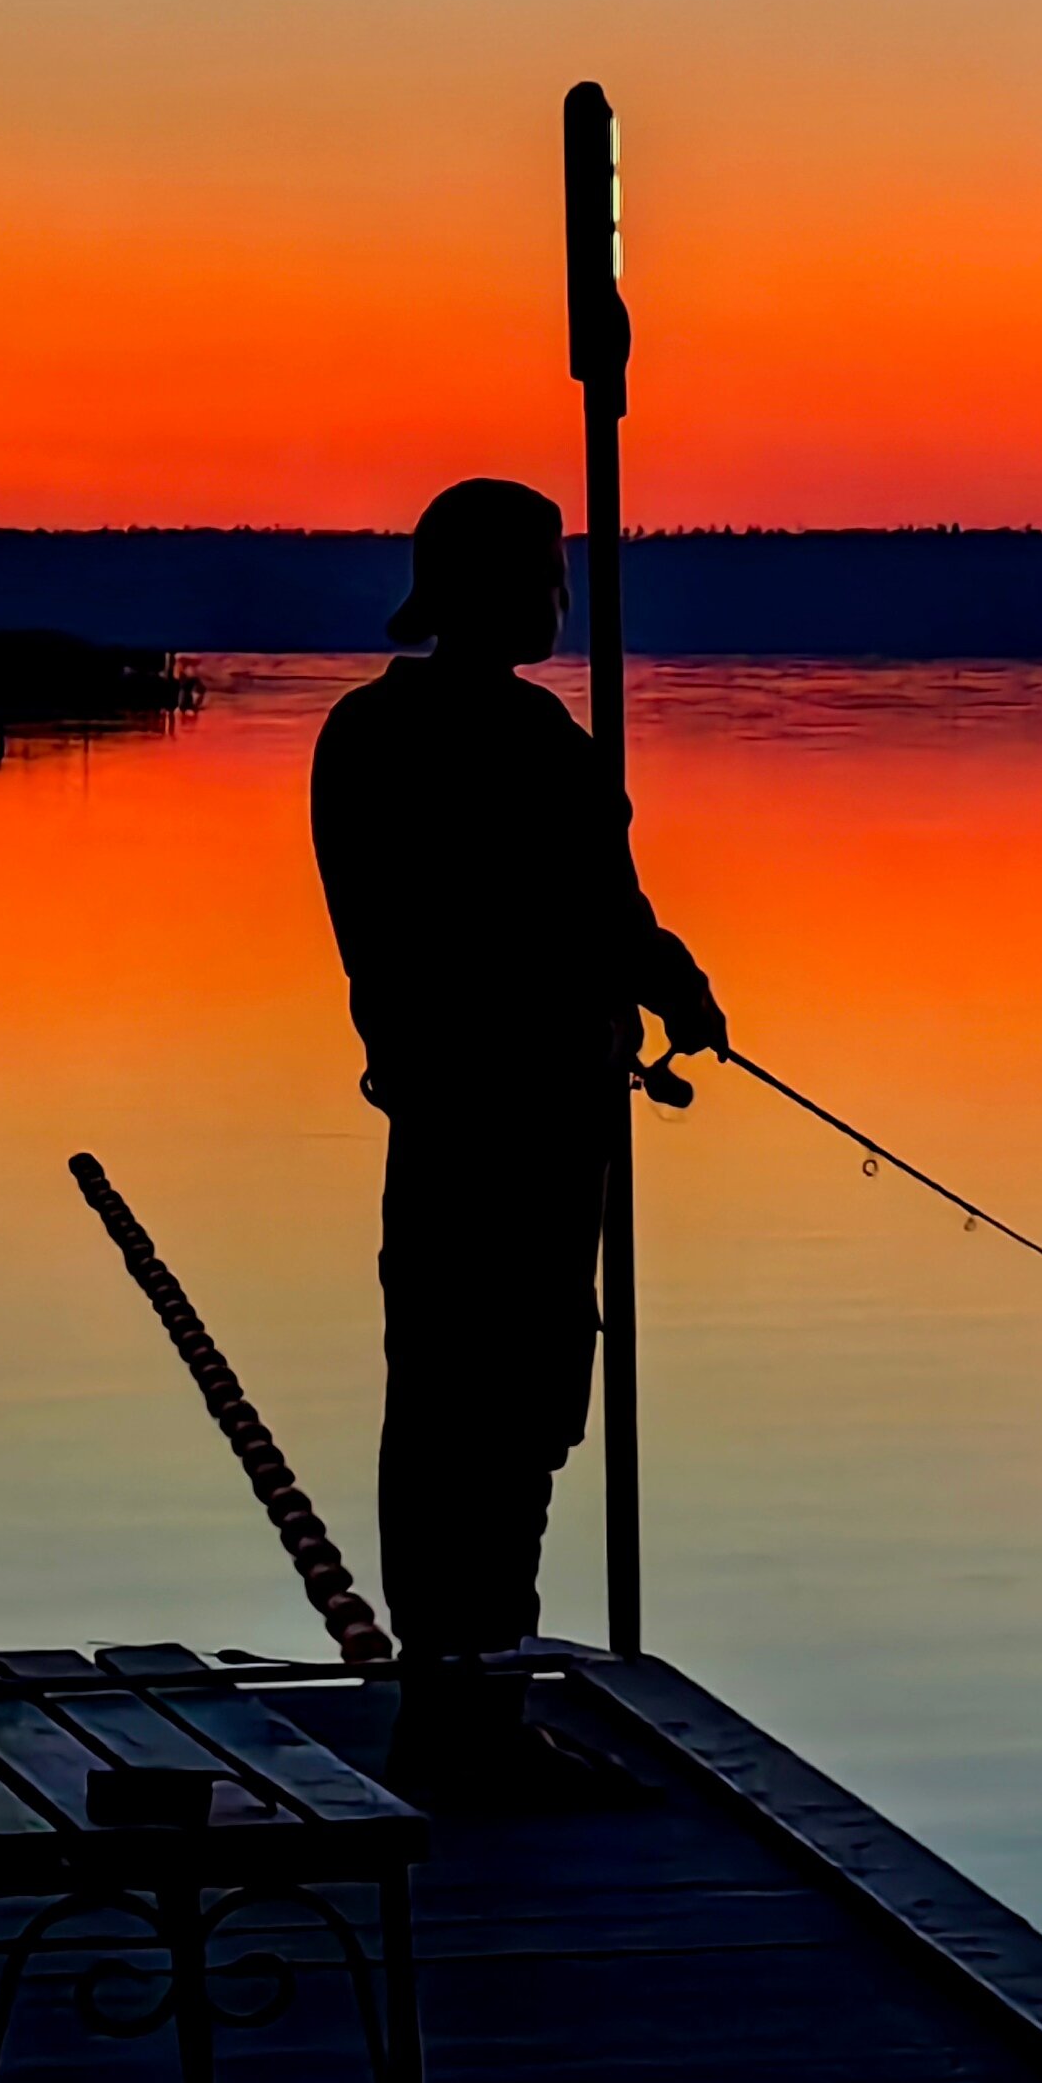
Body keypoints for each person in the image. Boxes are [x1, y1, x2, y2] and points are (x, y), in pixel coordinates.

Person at [311, 477, 723, 1788]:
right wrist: (684, 990)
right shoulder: (532, 740)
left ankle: (449, 1700)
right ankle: (478, 1718)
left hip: (431, 1122)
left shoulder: (358, 735)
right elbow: (606, 913)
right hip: (533, 1128)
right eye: (548, 570)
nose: (560, 594)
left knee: (435, 1400)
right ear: (503, 587)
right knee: (520, 1410)